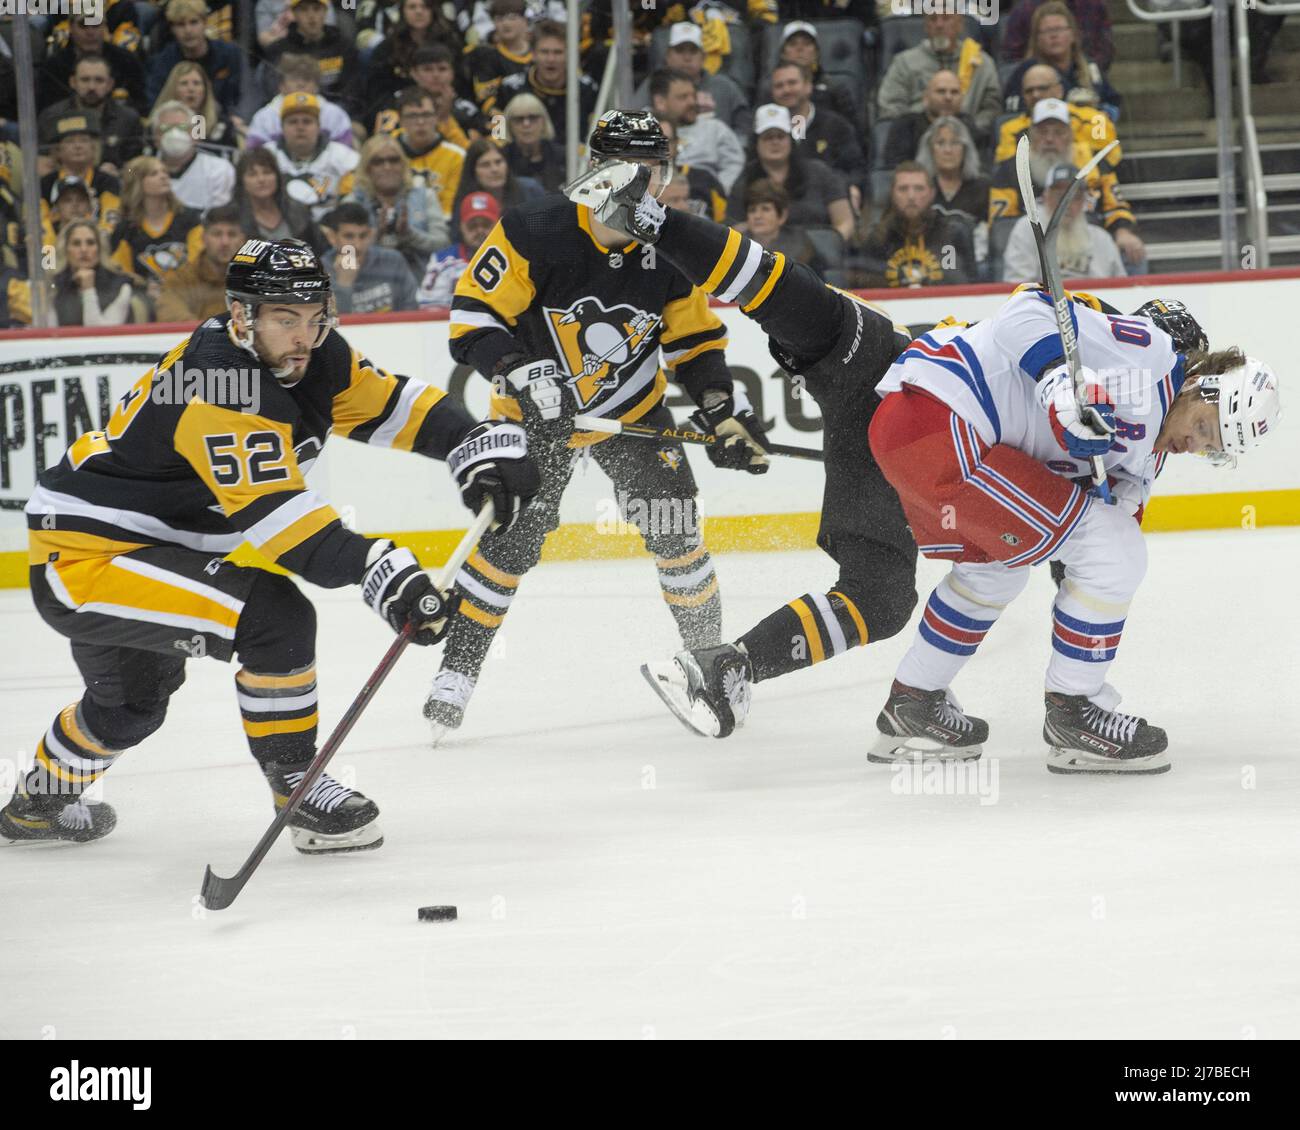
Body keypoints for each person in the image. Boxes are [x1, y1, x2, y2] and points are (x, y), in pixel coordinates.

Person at [573, 158, 1241, 745]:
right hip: (918, 396)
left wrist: (1077, 558)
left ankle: (721, 670)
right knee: (796, 295)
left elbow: (1089, 535)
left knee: (883, 599)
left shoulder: (1138, 442)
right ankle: (652, 218)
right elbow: (1032, 323)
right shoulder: (1109, 348)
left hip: (928, 445)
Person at [0, 237, 539, 846]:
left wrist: (473, 442)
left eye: (315, 317)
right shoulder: (217, 384)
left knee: (132, 707)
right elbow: (282, 527)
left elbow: (394, 407)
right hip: (85, 559)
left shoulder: (314, 356)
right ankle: (299, 789)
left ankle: (32, 807)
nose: (304, 336)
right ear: (241, 316)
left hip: (143, 548)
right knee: (274, 618)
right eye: (285, 319)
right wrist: (377, 566)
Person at [427, 111, 762, 743]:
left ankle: (710, 665)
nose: (648, 188)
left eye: (657, 172)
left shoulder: (671, 243)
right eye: (634, 173)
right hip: (534, 418)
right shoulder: (535, 229)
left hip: (631, 417)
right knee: (508, 547)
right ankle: (458, 671)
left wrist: (719, 406)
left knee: (678, 537)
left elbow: (694, 341)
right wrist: (520, 371)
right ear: (598, 172)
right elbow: (471, 319)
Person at [866, 293, 1278, 775]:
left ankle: (912, 704)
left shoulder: (1148, 455)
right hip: (942, 419)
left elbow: (1112, 516)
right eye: (1205, 426)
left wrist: (1082, 572)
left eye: (1213, 446)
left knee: (997, 569)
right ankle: (1075, 712)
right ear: (1198, 385)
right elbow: (1021, 312)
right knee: (1114, 553)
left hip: (922, 437)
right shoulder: (1149, 358)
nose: (1197, 444)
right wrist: (1061, 381)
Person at [990, 98, 1143, 271]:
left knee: (1132, 250)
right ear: (1031, 135)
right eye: (1042, 132)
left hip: (1090, 246)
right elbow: (1001, 224)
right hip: (1033, 249)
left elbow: (1116, 205)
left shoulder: (1094, 163)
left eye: (1058, 132)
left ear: (1071, 135)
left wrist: (1123, 231)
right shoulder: (1012, 169)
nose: (1049, 139)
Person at [726, 104, 853, 247]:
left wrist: (830, 248)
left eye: (781, 136)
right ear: (756, 143)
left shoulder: (820, 172)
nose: (775, 142)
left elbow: (845, 221)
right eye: (768, 137)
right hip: (767, 260)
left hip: (819, 259)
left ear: (791, 140)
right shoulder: (744, 182)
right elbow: (732, 232)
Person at [876, 11, 1003, 145]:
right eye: (933, 19)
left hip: (968, 141)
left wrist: (969, 131)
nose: (939, 25)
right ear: (925, 26)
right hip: (915, 141)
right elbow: (890, 106)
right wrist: (915, 130)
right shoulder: (904, 62)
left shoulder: (981, 62)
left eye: (946, 18)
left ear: (960, 25)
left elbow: (992, 107)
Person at [344, 134, 450, 277]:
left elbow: (443, 245)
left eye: (394, 160)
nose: (387, 167)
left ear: (403, 164)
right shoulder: (352, 204)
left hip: (419, 284)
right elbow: (346, 259)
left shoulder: (425, 196)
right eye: (378, 162)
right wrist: (375, 235)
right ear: (366, 168)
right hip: (368, 288)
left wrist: (409, 234)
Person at [109, 155, 204, 313]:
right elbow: (120, 273)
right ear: (138, 183)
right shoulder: (126, 229)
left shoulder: (190, 219)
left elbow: (199, 265)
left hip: (188, 298)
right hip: (144, 302)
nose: (164, 176)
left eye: (165, 172)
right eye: (154, 174)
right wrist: (144, 287)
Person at [857, 162, 975, 288]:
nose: (911, 196)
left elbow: (965, 284)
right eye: (903, 189)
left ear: (932, 193)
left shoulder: (952, 233)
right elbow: (867, 285)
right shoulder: (878, 238)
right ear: (892, 194)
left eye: (919, 188)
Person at [769, 61, 866, 213]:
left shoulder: (836, 125)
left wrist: (850, 186)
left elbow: (854, 168)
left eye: (792, 83)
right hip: (777, 203)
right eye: (779, 86)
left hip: (826, 202)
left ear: (808, 86)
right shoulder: (765, 131)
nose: (786, 90)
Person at [1002, 164, 1124, 283]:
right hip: (1043, 301)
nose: (1066, 204)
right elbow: (1018, 285)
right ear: (1046, 197)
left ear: (1083, 201)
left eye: (1074, 197)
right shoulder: (1027, 230)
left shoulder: (1101, 239)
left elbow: (1119, 286)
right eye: (1060, 196)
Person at [1002, 1, 1120, 119]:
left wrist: (1105, 114)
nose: (1054, 36)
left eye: (1059, 29)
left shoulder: (1090, 67)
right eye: (1047, 31)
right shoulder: (1026, 72)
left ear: (1073, 34)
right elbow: (1013, 114)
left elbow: (1111, 101)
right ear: (1037, 39)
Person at [632, 21, 751, 136]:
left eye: (693, 51)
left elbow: (745, 129)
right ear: (667, 56)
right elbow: (634, 121)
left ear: (703, 57)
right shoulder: (654, 85)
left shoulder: (724, 86)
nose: (687, 58)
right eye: (679, 50)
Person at [490, 19, 598, 145]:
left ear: (570, 55)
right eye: (544, 52)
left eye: (558, 52)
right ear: (533, 54)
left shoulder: (587, 90)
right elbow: (497, 134)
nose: (551, 59)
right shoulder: (509, 88)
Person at [39, 54, 145, 177]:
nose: (91, 87)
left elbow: (138, 167)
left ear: (110, 84)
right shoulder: (52, 116)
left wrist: (120, 172)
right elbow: (40, 161)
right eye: (85, 80)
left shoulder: (128, 119)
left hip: (114, 187)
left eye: (99, 80)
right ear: (73, 82)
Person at [363, 0, 463, 122]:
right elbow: (377, 90)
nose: (419, 12)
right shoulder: (387, 47)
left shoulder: (451, 43)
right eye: (412, 7)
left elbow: (460, 81)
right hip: (398, 106)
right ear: (402, 11)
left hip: (446, 103)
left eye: (425, 7)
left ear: (434, 10)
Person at [269, 91, 360, 220]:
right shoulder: (266, 155)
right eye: (293, 122)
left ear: (318, 126)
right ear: (282, 128)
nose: (300, 127)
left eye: (307, 121)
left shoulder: (343, 156)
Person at [650, 68, 744, 193]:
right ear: (660, 102)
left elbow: (735, 164)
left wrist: (715, 192)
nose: (693, 102)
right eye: (683, 97)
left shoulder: (715, 129)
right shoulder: (644, 130)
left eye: (693, 96)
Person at [146, 0, 243, 118]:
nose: (188, 31)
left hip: (220, 121)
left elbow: (238, 96)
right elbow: (155, 104)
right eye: (181, 25)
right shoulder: (162, 62)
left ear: (205, 22)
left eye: (194, 22)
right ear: (172, 28)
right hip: (178, 123)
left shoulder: (229, 54)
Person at [261, 0, 359, 116]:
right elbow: (273, 92)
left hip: (335, 113)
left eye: (316, 9)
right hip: (288, 112)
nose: (311, 15)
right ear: (294, 13)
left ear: (325, 12)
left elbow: (351, 92)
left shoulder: (344, 47)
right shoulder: (278, 50)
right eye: (304, 9)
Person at [40, 13, 149, 116]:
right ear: (71, 28)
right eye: (83, 25)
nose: (90, 32)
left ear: (105, 27)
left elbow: (141, 104)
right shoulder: (54, 68)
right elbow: (47, 109)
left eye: (96, 25)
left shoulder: (127, 62)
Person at [156, 202, 245, 322]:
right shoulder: (182, 279)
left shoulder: (252, 279)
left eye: (232, 234)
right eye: (217, 234)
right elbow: (171, 314)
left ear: (242, 240)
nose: (225, 242)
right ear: (203, 238)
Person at [324, 201, 419, 313]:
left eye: (363, 236)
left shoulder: (392, 261)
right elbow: (330, 326)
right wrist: (344, 285)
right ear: (332, 237)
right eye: (349, 236)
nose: (357, 245)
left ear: (370, 234)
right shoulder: (322, 271)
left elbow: (412, 308)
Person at [246, 54, 356, 151]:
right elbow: (254, 155)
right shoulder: (264, 117)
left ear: (317, 86)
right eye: (294, 79)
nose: (300, 84)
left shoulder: (335, 115)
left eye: (307, 79)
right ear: (281, 86)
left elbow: (346, 152)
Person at [39, 112, 123, 236]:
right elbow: (40, 226)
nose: (77, 146)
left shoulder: (108, 182)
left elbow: (111, 220)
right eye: (70, 141)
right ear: (58, 150)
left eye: (84, 141)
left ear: (94, 148)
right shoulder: (44, 185)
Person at [394, 43, 492, 150]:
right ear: (414, 73)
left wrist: (496, 111)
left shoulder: (467, 109)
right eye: (427, 69)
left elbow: (499, 135)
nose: (436, 75)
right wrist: (442, 118)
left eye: (442, 69)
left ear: (452, 73)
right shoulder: (398, 104)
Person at [234, 146, 330, 255]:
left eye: (267, 172)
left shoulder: (298, 211)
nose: (261, 179)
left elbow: (319, 251)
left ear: (277, 177)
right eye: (252, 174)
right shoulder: (233, 217)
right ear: (242, 182)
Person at [45, 219, 139, 327]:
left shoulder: (121, 287)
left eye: (90, 243)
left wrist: (88, 289)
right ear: (66, 250)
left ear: (99, 249)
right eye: (76, 243)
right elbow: (51, 333)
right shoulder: (53, 286)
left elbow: (100, 336)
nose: (84, 249)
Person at [882, 69, 977, 173]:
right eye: (941, 91)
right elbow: (896, 170)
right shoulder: (906, 126)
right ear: (925, 98)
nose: (948, 97)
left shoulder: (968, 126)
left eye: (954, 92)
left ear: (962, 99)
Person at [417, 191, 500, 308]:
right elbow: (430, 308)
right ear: (461, 226)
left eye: (486, 225)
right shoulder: (441, 261)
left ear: (497, 226)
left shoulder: (513, 260)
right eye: (472, 225)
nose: (480, 231)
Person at [450, 138, 543, 241]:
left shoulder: (530, 189)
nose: (494, 169)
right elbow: (458, 241)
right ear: (473, 171)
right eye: (485, 165)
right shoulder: (465, 201)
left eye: (498, 162)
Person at [150, 100, 237, 212]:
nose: (174, 134)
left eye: (182, 127)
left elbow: (219, 217)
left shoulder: (219, 169)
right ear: (155, 137)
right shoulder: (142, 173)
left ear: (195, 135)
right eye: (165, 129)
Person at [395, 88, 466, 219]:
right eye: (412, 116)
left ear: (436, 117)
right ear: (400, 120)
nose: (420, 122)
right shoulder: (386, 152)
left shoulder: (456, 156)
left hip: (441, 229)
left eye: (426, 115)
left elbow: (449, 210)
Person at [775, 20, 858, 127]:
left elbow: (853, 131)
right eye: (793, 44)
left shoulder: (835, 90)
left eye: (806, 44)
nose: (800, 49)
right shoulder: (771, 90)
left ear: (816, 53)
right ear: (783, 54)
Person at [915, 116, 989, 235]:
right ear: (930, 149)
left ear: (965, 149)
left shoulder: (983, 188)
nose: (948, 150)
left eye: (955, 143)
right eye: (940, 143)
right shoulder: (918, 187)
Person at [151, 60, 238, 155]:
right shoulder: (158, 121)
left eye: (196, 83)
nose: (191, 89)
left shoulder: (221, 124)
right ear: (173, 88)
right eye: (184, 83)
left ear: (205, 89)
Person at [1001, 0, 1114, 72]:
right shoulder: (1023, 11)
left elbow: (1105, 50)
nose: (1053, 35)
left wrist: (1085, 72)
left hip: (1085, 80)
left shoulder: (1094, 5)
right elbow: (1011, 57)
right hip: (1036, 83)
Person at [743, 179, 826, 273]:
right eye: (752, 210)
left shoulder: (800, 244)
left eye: (765, 209)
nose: (757, 216)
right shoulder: (740, 245)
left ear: (782, 215)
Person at [465, 0, 534, 109]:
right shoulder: (486, 57)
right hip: (500, 118)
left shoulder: (540, 54)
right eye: (499, 19)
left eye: (512, 17)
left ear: (525, 21)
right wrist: (501, 124)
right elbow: (486, 100)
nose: (506, 23)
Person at [501, 92, 567, 192]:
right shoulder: (501, 159)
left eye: (533, 118)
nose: (526, 124)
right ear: (510, 125)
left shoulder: (563, 156)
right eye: (519, 119)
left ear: (544, 122)